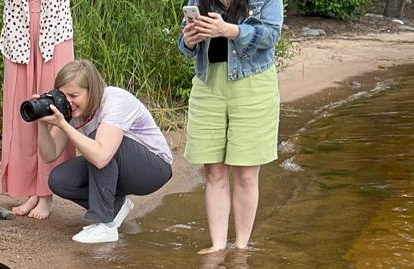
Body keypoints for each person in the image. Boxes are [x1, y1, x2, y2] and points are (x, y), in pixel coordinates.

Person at [178, 0, 283, 253]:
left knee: (246, 174)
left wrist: (229, 30)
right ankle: (217, 245)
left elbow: (272, 35)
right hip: (208, 84)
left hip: (253, 84)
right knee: (214, 172)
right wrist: (190, 39)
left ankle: (242, 247)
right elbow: (185, 46)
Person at [38, 59, 173, 244]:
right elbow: (49, 154)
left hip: (153, 169)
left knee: (97, 142)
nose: (68, 102)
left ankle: (105, 224)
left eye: (73, 95)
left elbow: (101, 157)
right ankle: (116, 206)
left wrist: (63, 124)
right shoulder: (73, 112)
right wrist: (42, 125)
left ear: (91, 91)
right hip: (117, 165)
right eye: (62, 96)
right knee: (60, 179)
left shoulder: (115, 100)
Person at [0, 0, 74, 220]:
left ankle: (46, 192)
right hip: (17, 26)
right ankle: (31, 189)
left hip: (55, 25)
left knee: (52, 104)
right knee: (23, 110)